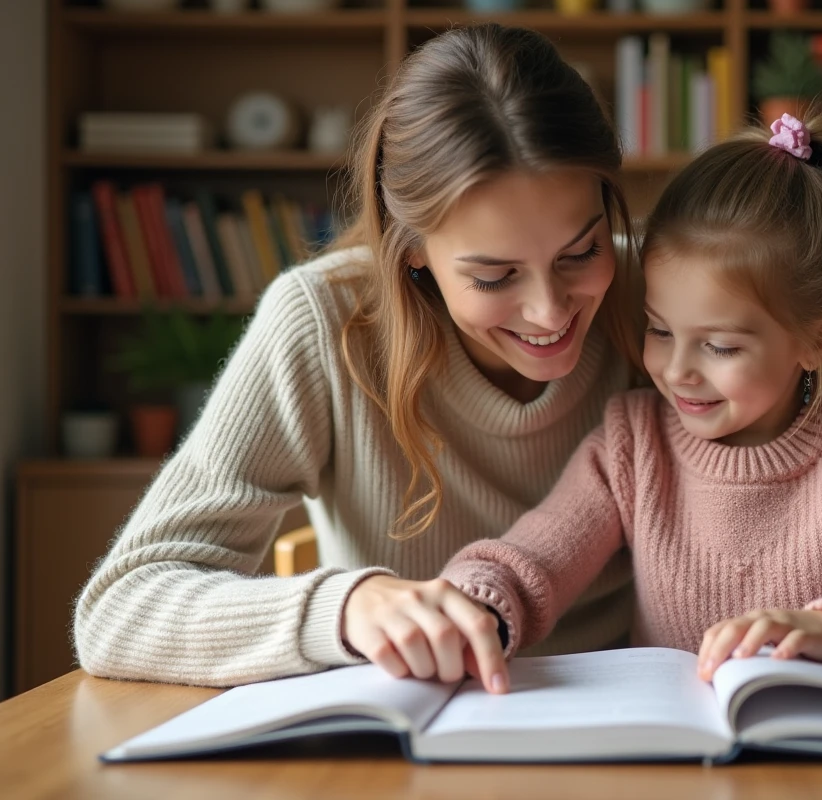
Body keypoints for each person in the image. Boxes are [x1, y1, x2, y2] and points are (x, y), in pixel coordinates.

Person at [72, 24, 644, 689]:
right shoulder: (324, 324)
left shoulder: (664, 307)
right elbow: (118, 610)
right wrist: (345, 608)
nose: (550, 312)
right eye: (494, 277)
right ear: (412, 250)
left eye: (581, 254)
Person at [436, 113, 822, 694]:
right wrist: (472, 602)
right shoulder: (634, 443)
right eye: (660, 329)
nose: (676, 372)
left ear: (818, 340)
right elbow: (531, 559)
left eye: (720, 346)